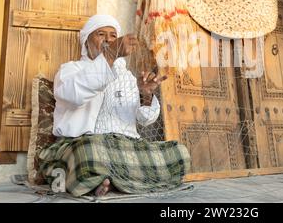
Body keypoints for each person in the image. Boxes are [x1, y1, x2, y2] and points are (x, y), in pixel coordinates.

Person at [37, 14, 191, 197]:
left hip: (123, 149)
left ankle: (106, 181)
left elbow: (145, 119)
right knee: (89, 153)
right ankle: (118, 180)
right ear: (87, 41)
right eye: (101, 34)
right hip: (81, 144)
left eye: (112, 36)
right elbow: (73, 95)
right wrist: (110, 54)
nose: (108, 40)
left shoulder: (127, 78)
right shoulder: (71, 70)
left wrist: (146, 95)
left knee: (177, 153)